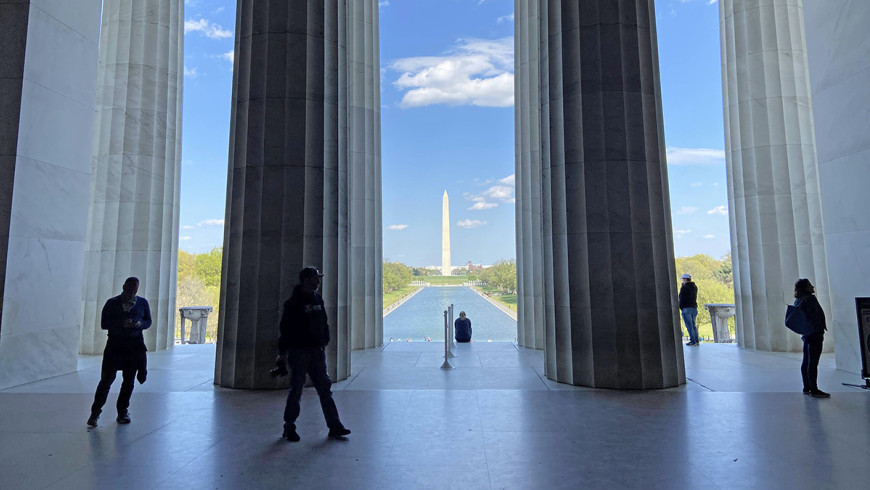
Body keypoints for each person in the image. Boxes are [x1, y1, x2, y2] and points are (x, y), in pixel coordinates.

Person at [277, 266, 351, 442]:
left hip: (316, 352)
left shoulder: (318, 299)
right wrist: (281, 354)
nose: (318, 281)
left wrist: (324, 340)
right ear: (305, 280)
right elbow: (285, 330)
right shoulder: (293, 303)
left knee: (325, 389)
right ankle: (289, 426)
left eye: (318, 278)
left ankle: (334, 425)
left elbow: (323, 322)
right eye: (314, 278)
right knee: (296, 389)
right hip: (299, 352)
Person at [87, 277, 151, 427]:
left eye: (134, 290)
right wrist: (121, 324)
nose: (131, 292)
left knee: (128, 381)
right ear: (123, 287)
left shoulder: (143, 303)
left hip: (133, 348)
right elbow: (104, 324)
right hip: (115, 347)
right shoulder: (112, 303)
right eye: (129, 289)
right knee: (106, 381)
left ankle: (122, 411)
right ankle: (95, 412)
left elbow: (148, 321)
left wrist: (139, 324)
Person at [794, 278, 830, 398]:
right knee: (813, 362)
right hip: (815, 334)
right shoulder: (810, 299)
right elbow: (815, 316)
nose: (812, 286)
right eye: (810, 285)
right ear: (805, 287)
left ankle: (807, 387)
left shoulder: (799, 300)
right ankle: (814, 388)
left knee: (806, 361)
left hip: (807, 334)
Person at [679, 273, 699, 346]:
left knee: (689, 326)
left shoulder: (684, 288)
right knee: (693, 325)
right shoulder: (694, 287)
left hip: (686, 308)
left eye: (683, 279)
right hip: (694, 308)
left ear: (685, 279)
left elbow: (681, 298)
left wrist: (681, 306)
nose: (682, 281)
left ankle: (693, 341)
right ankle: (696, 340)